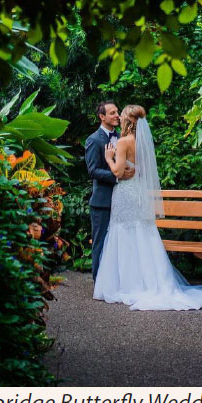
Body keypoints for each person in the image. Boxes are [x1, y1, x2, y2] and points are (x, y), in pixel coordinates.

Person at [92, 104, 202, 311]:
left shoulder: (124, 142)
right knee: (142, 235)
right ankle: (150, 282)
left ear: (128, 121)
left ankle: (127, 283)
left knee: (124, 235)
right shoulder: (142, 143)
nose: (120, 117)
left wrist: (109, 159)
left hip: (125, 194)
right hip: (138, 195)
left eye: (122, 115)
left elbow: (117, 171)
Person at [85, 101, 135, 281]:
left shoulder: (123, 137)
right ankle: (99, 281)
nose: (117, 115)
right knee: (100, 241)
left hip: (122, 199)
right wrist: (117, 176)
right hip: (102, 200)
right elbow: (92, 170)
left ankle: (116, 280)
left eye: (117, 112)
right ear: (102, 117)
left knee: (119, 241)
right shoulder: (94, 140)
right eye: (112, 113)